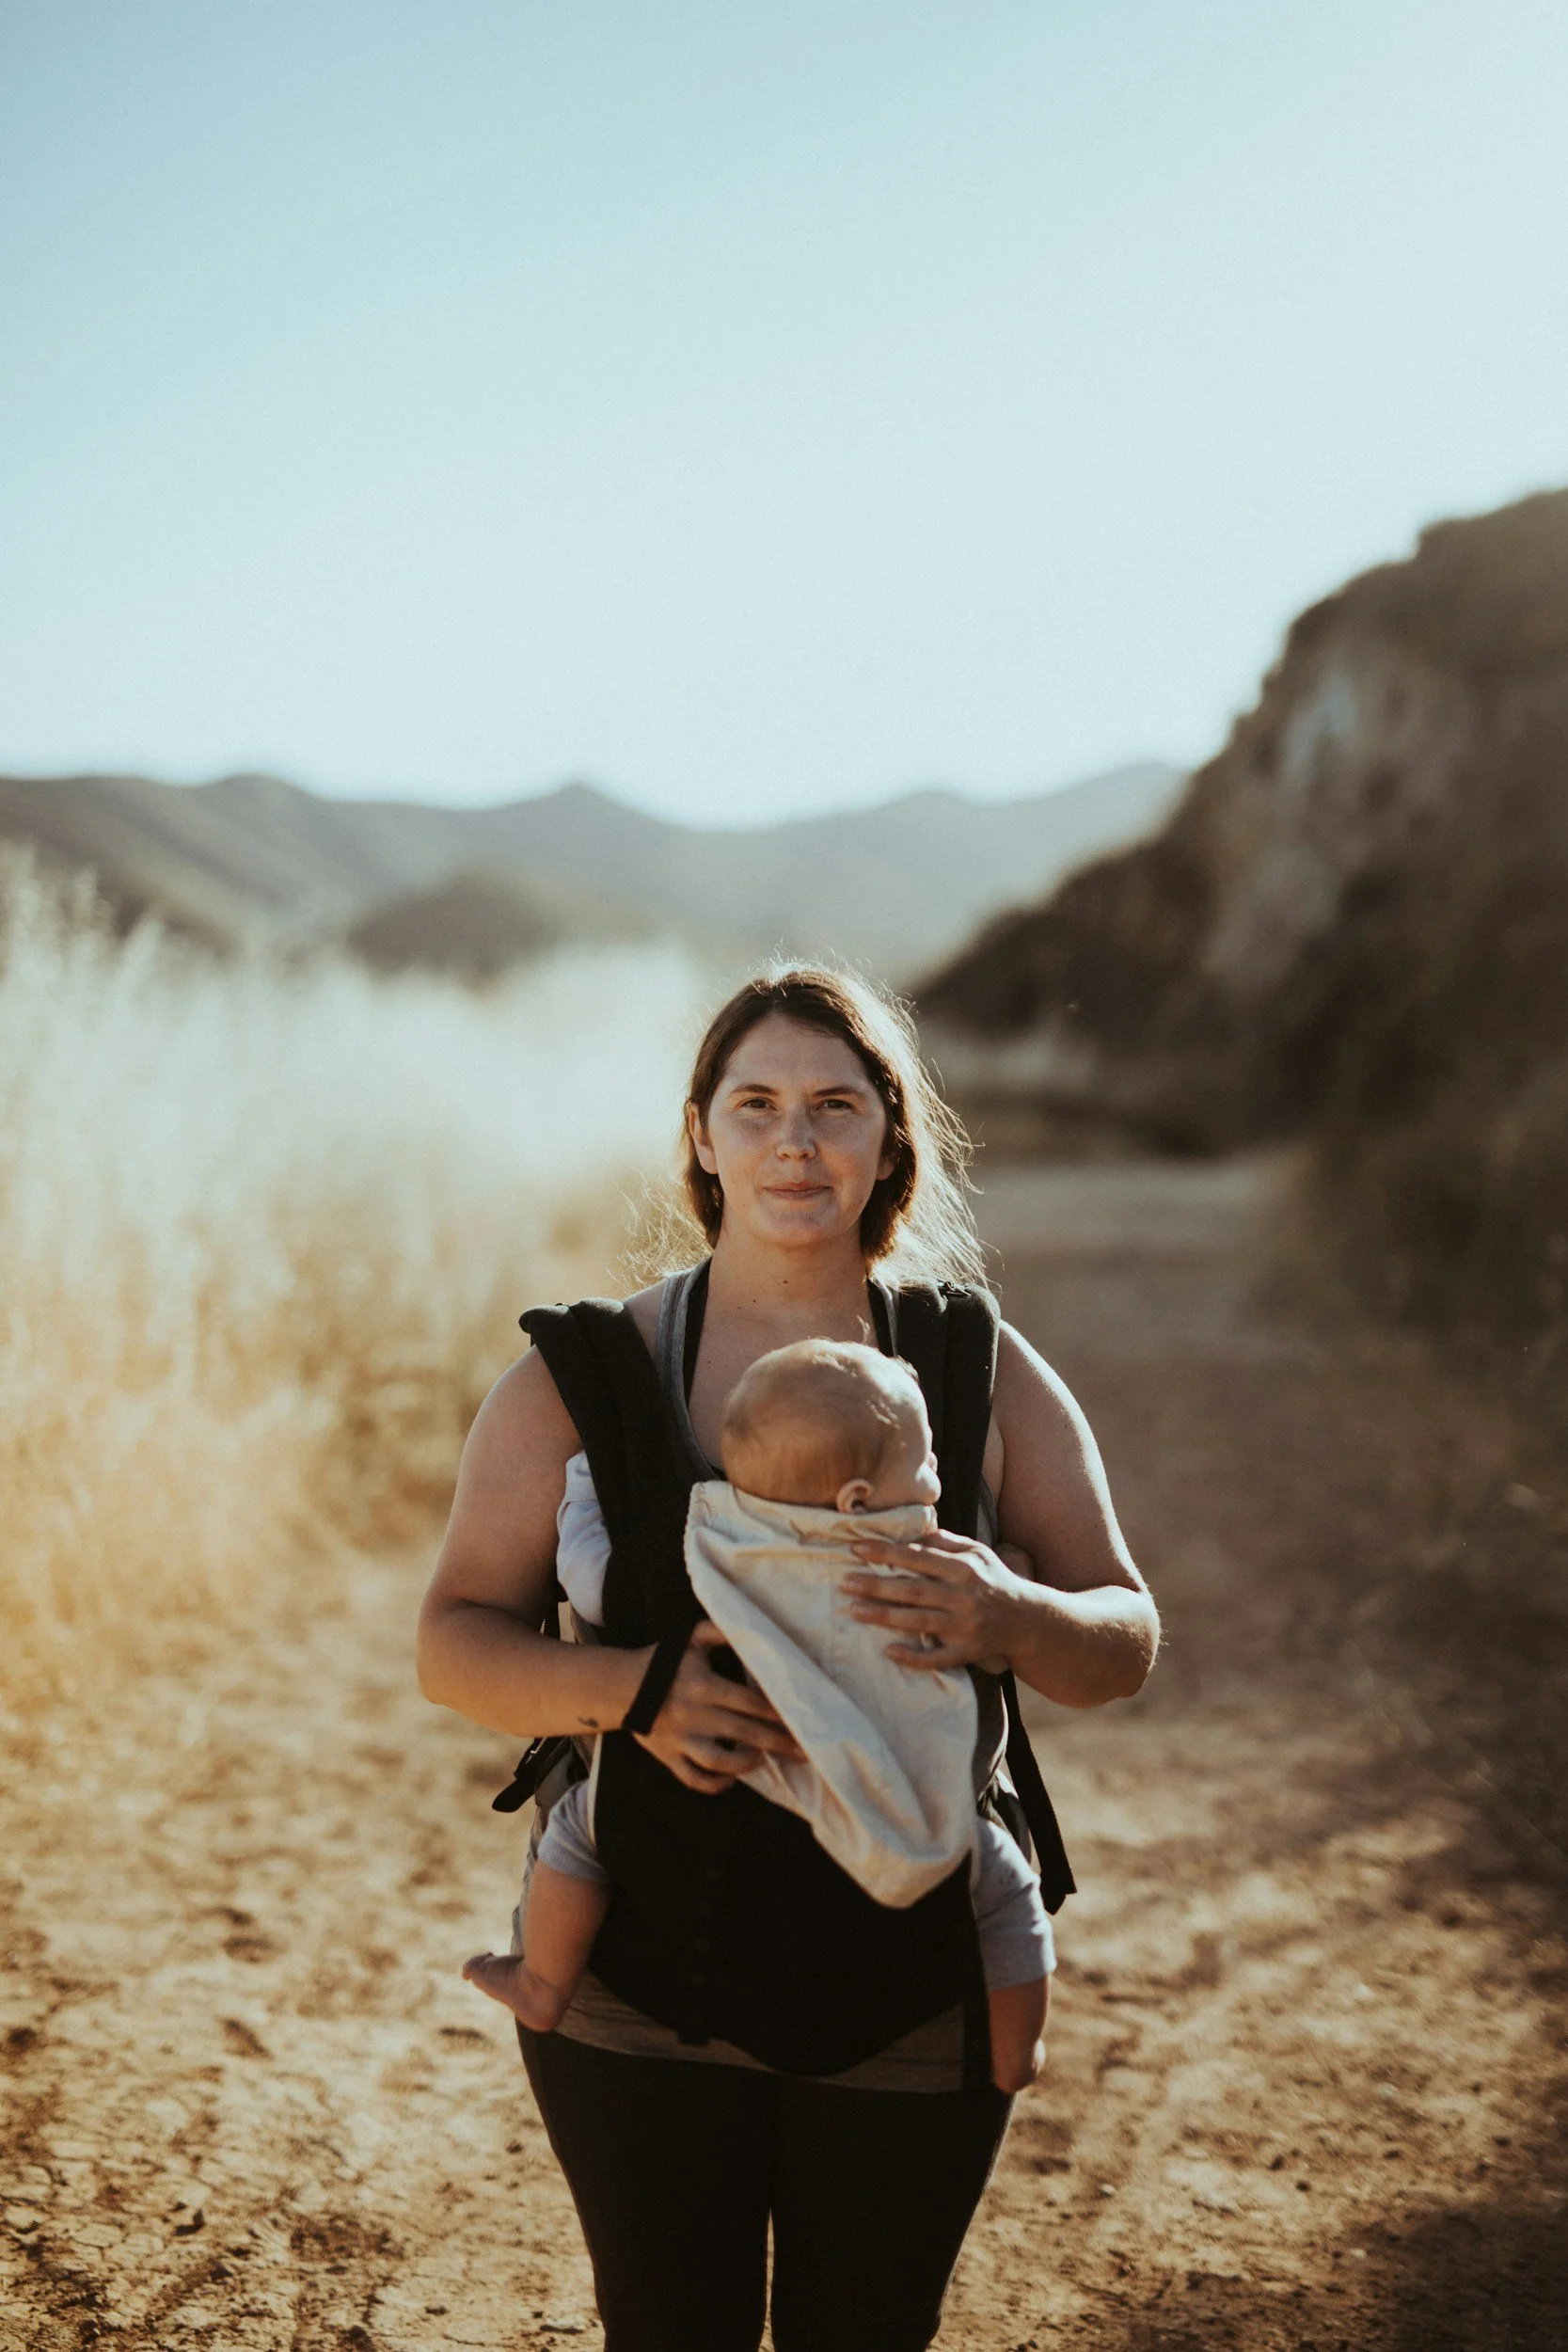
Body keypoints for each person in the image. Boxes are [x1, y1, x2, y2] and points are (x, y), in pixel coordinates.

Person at [417, 965, 1159, 2352]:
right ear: (700, 1136)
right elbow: (453, 1641)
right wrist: (630, 1694)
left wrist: (1010, 1614)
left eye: (833, 1106)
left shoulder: (971, 1367)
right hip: (633, 1994)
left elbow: (1121, 1637)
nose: (794, 1142)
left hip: (913, 1992)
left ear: (889, 1138)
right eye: (752, 1106)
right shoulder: (583, 1377)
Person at [462, 1339, 1053, 2093]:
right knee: (1000, 1885)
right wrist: (1017, 1580)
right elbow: (996, 1646)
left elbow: (593, 1583)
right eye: (926, 1459)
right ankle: (1014, 2054)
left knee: (580, 1830)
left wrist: (583, 1489)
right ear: (859, 1502)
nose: (936, 1476)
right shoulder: (921, 1566)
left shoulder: (704, 1540)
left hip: (726, 1770)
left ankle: (543, 1981)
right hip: (885, 1782)